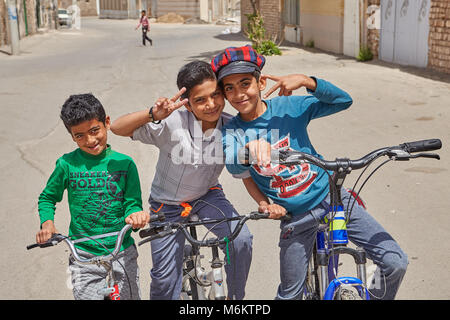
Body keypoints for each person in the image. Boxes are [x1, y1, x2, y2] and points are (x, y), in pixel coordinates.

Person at [211, 45, 408, 300]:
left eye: (245, 83)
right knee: (289, 295)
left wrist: (307, 80)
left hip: (335, 201)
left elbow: (342, 100)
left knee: (395, 263)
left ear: (260, 83)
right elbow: (233, 163)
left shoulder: (289, 107)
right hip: (295, 218)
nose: (238, 94)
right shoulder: (233, 130)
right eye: (229, 88)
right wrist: (249, 149)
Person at [110, 60, 254, 300]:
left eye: (216, 95)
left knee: (241, 239)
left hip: (207, 196)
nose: (211, 105)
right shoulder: (171, 123)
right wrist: (152, 114)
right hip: (166, 205)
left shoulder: (231, 126)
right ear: (187, 104)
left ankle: (235, 298)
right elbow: (117, 128)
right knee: (165, 281)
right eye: (200, 100)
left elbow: (252, 163)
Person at [36, 93, 150, 300]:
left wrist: (135, 216)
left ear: (106, 123)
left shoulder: (125, 164)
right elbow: (47, 197)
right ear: (71, 136)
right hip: (83, 255)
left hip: (121, 251)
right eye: (79, 135)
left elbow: (132, 202)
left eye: (94, 130)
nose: (90, 140)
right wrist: (47, 224)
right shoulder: (67, 164)